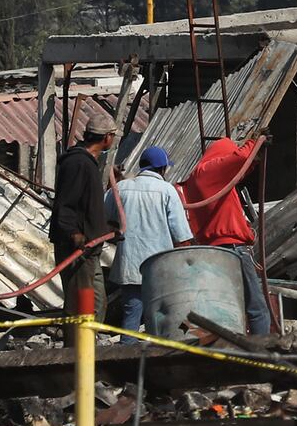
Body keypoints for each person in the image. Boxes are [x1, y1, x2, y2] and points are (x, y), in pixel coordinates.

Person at [182, 138, 271, 335]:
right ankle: (260, 355)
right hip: (232, 248)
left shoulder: (201, 179)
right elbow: (240, 157)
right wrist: (255, 141)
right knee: (257, 308)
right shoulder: (208, 171)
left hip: (213, 249)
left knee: (225, 305)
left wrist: (254, 161)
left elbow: (238, 171)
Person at [105, 146, 192, 344]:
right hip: (160, 270)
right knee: (165, 322)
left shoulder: (121, 188)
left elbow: (105, 219)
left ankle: (126, 367)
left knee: (131, 320)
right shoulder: (167, 191)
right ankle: (159, 366)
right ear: (162, 169)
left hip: (131, 267)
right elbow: (182, 236)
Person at [49, 115, 118, 343]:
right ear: (107, 138)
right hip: (78, 249)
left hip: (91, 249)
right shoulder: (78, 163)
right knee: (80, 303)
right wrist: (74, 234)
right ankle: (75, 354)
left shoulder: (86, 162)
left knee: (96, 301)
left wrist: (106, 228)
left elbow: (84, 207)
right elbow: (65, 205)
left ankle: (87, 350)